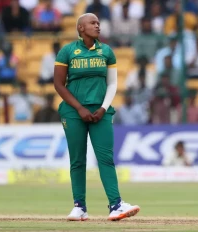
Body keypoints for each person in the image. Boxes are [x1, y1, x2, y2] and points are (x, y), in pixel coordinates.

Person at [54, 13, 140, 221]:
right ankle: (79, 207)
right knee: (77, 160)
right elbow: (58, 85)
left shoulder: (107, 51)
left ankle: (116, 205)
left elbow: (112, 84)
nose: (97, 26)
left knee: (105, 158)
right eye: (92, 23)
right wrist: (80, 109)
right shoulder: (67, 51)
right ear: (80, 28)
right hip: (74, 112)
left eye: (98, 23)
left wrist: (103, 107)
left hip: (100, 112)